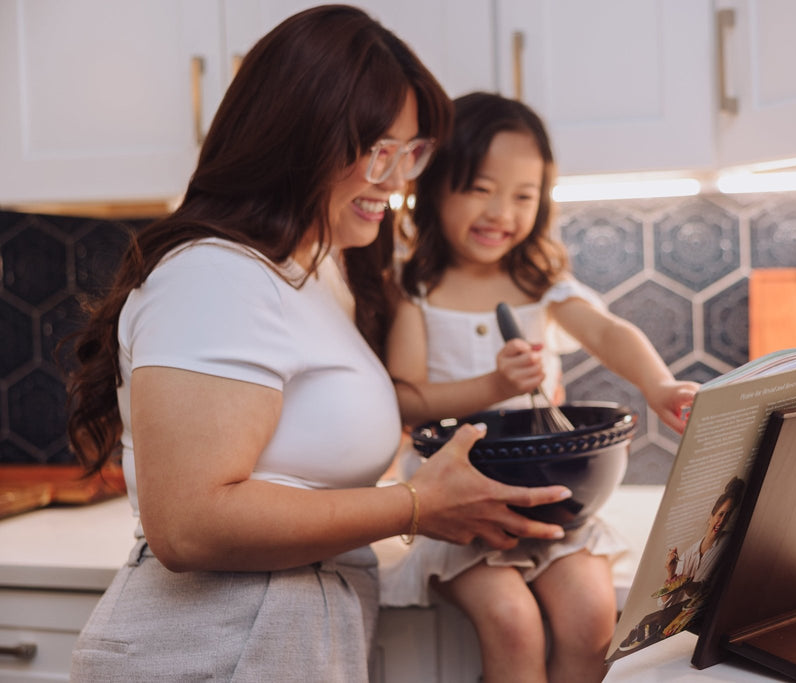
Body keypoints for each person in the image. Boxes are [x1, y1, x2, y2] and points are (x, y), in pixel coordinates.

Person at [60, 8, 572, 681]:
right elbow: (187, 523)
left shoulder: (319, 275)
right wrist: (418, 505)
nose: (397, 180)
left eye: (410, 151)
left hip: (278, 634)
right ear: (296, 138)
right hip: (210, 646)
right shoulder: (213, 274)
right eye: (377, 150)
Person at [384, 92, 700, 683]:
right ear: (434, 187)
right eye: (479, 187)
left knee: (590, 617)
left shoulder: (540, 280)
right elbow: (405, 398)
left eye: (523, 196)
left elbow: (604, 331)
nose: (500, 211)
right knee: (511, 621)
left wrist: (657, 384)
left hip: (550, 499)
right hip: (458, 506)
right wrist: (493, 383)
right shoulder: (415, 288)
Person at [662, 476, 745, 600]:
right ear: (711, 516)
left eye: (727, 516)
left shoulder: (728, 543)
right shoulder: (688, 555)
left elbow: (705, 590)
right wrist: (671, 573)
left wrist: (684, 584)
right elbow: (665, 601)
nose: (722, 521)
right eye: (720, 514)